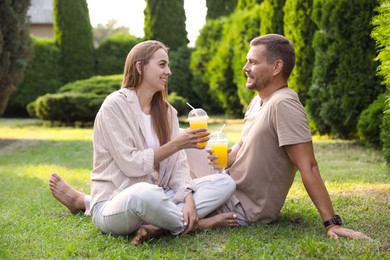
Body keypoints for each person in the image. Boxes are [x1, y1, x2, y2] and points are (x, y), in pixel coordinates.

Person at [50, 34, 370, 240]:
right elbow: (236, 154)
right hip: (221, 181)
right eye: (246, 60)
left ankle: (97, 204)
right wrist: (215, 153)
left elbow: (308, 166)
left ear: (276, 67)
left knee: (180, 161)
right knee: (183, 150)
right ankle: (99, 203)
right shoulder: (260, 102)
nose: (245, 67)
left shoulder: (285, 104)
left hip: (242, 203)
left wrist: (332, 222)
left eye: (252, 62)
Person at [50, 40, 239, 245]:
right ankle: (199, 224)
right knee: (145, 193)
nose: (169, 71)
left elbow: (179, 166)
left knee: (224, 182)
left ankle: (159, 225)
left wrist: (188, 199)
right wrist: (178, 144)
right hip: (117, 201)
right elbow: (131, 164)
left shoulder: (167, 112)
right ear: (140, 67)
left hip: (160, 196)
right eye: (162, 64)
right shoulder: (114, 106)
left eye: (168, 65)